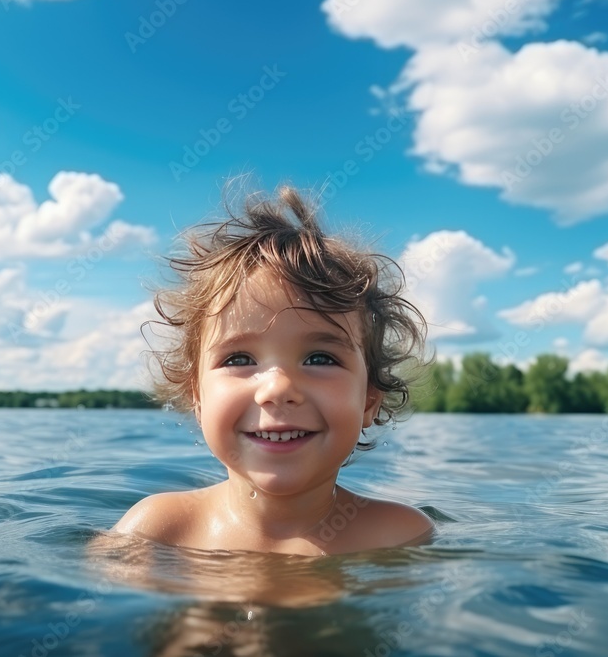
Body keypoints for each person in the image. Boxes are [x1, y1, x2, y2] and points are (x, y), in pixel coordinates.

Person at [104, 184, 434, 556]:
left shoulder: (398, 536)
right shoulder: (157, 530)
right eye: (239, 359)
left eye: (320, 359)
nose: (277, 388)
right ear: (197, 397)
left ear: (369, 401)